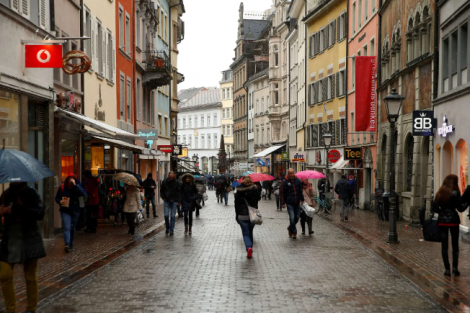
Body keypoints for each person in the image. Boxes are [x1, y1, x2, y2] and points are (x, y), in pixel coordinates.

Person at [0, 182, 46, 313]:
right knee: (5, 275)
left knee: (30, 275)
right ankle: (11, 310)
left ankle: (31, 309)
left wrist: (15, 209)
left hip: (29, 239)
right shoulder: (6, 194)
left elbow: (40, 213)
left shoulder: (31, 193)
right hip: (10, 240)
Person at [433, 174, 468, 276]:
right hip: (453, 221)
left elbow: (434, 207)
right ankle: (455, 268)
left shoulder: (440, 192)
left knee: (444, 245)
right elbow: (460, 208)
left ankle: (447, 269)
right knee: (455, 245)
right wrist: (467, 203)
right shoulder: (455, 192)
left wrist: (442, 212)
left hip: (442, 222)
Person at [55, 174, 87, 252]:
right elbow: (57, 197)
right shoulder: (63, 187)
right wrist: (60, 201)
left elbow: (82, 194)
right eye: (69, 178)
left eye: (72, 178)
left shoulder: (77, 187)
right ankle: (67, 244)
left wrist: (75, 185)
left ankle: (71, 243)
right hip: (65, 210)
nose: (71, 180)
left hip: (75, 210)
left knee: (72, 228)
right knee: (67, 227)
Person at [234, 176, 261, 258]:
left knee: (245, 233)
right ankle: (250, 248)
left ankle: (249, 247)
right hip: (252, 214)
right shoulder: (254, 189)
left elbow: (236, 205)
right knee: (250, 232)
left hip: (242, 214)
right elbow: (258, 198)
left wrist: (237, 215)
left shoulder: (238, 190)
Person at [281, 168, 305, 239]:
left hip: (297, 202)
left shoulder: (297, 180)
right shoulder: (285, 182)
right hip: (289, 203)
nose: (292, 174)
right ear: (288, 174)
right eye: (290, 173)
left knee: (297, 217)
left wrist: (302, 199)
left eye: (292, 173)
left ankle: (290, 227)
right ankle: (294, 232)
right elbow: (282, 193)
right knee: (292, 217)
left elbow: (300, 191)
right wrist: (283, 203)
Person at [160, 171, 181, 236]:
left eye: (172, 177)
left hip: (174, 200)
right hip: (167, 200)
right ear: (169, 175)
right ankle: (167, 228)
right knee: (166, 215)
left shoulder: (177, 182)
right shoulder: (164, 181)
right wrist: (163, 197)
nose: (171, 178)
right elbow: (161, 191)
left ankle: (171, 230)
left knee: (172, 216)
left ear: (174, 176)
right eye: (170, 177)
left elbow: (179, 192)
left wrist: (179, 201)